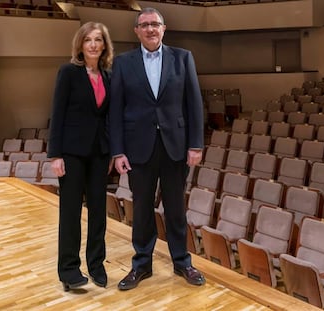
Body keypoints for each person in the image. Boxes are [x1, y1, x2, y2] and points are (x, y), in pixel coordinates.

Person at [110, 7, 205, 290]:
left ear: (164, 29)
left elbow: (194, 104)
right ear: (136, 31)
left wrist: (196, 145)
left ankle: (182, 262)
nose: (150, 29)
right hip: (138, 148)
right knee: (141, 210)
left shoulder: (183, 58)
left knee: (176, 208)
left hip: (175, 146)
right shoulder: (123, 63)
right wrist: (118, 151)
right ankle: (141, 265)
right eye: (145, 25)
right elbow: (115, 110)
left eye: (155, 24)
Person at [47, 21, 114, 291]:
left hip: (100, 152)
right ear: (81, 44)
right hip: (72, 153)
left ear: (105, 45)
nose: (94, 45)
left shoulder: (108, 75)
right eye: (88, 40)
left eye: (98, 40)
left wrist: (111, 150)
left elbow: (109, 116)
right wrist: (55, 155)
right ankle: (69, 270)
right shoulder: (68, 72)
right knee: (71, 213)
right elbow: (58, 112)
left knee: (99, 212)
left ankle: (96, 265)